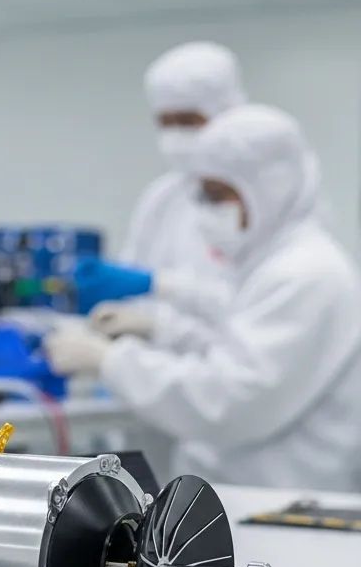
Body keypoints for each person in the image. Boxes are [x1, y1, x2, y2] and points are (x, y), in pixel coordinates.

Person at [45, 104, 361, 491]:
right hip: (251, 494)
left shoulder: (305, 273)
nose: (206, 213)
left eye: (218, 195)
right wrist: (160, 329)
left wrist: (110, 360)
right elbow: (235, 347)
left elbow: (227, 399)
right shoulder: (272, 263)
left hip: (285, 501)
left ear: (269, 189)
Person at [77, 42, 247, 337]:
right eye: (165, 123)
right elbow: (134, 280)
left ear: (225, 115)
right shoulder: (163, 197)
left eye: (188, 121)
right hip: (160, 370)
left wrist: (162, 288)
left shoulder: (260, 199)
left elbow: (257, 308)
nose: (175, 137)